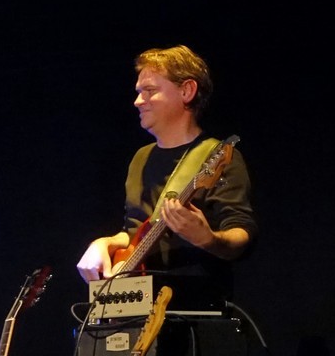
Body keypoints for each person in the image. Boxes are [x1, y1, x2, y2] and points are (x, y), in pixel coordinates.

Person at [75, 45, 255, 294]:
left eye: (150, 91)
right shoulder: (140, 158)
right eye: (139, 92)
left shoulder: (217, 157)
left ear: (187, 91)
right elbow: (134, 232)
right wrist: (104, 243)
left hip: (191, 303)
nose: (138, 101)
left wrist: (209, 239)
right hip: (140, 302)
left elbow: (242, 233)